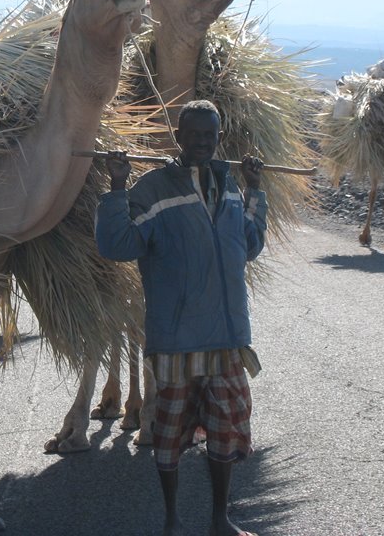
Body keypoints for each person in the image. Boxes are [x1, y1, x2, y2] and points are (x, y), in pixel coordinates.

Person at [95, 99, 267, 536]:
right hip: (177, 338)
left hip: (227, 335)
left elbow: (248, 246)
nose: (202, 143)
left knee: (224, 433)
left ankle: (219, 520)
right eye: (193, 135)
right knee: (169, 434)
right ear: (178, 138)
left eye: (210, 135)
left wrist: (255, 190)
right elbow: (117, 243)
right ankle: (171, 520)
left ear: (218, 138)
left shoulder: (228, 186)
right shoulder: (154, 187)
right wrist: (117, 187)